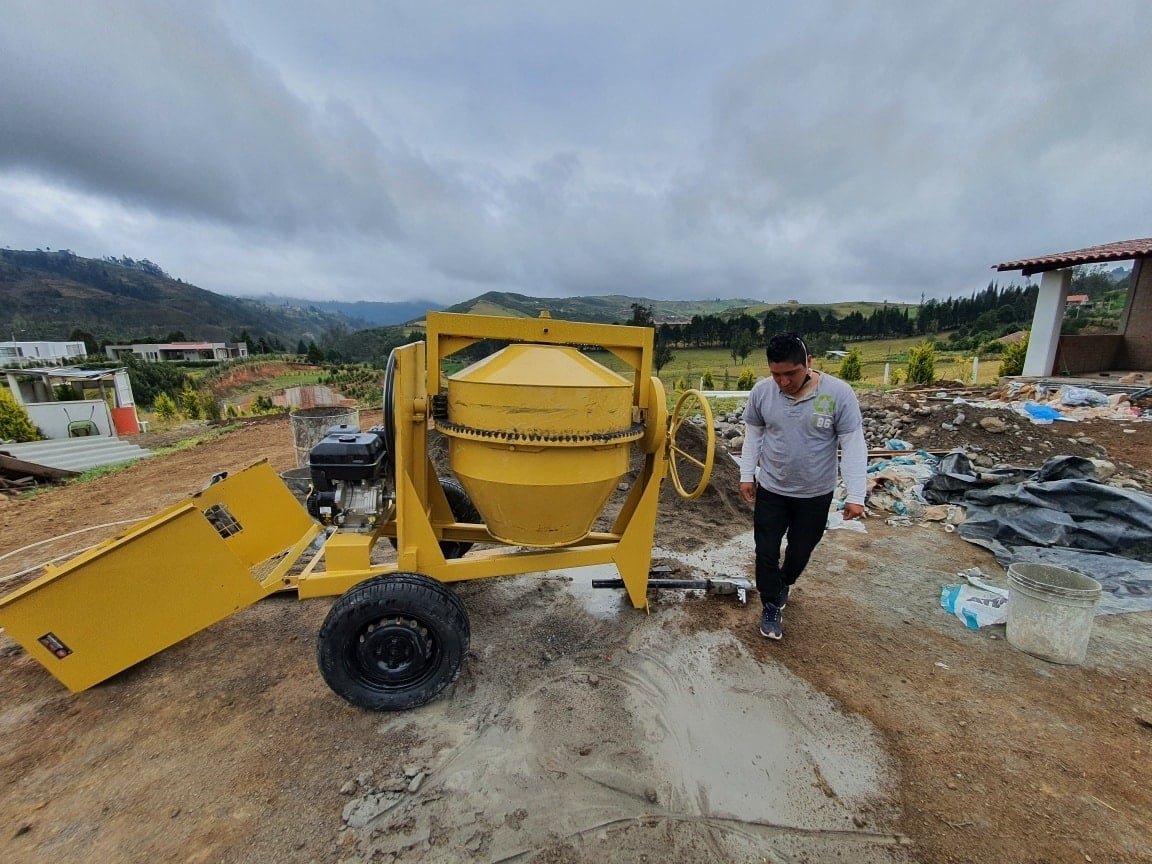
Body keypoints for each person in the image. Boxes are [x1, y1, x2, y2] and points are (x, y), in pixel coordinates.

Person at [738, 332, 867, 640]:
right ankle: (770, 604)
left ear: (809, 362)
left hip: (815, 494)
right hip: (772, 488)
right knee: (766, 551)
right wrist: (746, 475)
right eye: (776, 374)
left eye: (790, 374)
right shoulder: (762, 392)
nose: (782, 381)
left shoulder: (838, 394)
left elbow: (852, 445)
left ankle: (784, 583)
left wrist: (856, 493)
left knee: (800, 552)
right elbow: (754, 435)